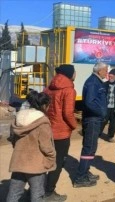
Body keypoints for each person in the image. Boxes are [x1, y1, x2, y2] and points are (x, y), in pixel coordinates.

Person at [6, 91, 56, 202]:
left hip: (18, 162)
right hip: (36, 165)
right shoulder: (42, 122)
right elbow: (46, 147)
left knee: (14, 194)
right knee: (37, 195)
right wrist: (52, 158)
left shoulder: (17, 119)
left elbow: (13, 140)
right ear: (44, 105)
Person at [43, 64, 77, 201]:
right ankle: (49, 192)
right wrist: (74, 126)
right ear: (70, 74)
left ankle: (38, 189)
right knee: (58, 162)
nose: (75, 74)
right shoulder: (69, 90)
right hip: (61, 133)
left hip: (47, 129)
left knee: (46, 160)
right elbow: (68, 113)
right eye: (75, 72)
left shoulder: (48, 88)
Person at [74, 62, 108, 188]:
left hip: (95, 119)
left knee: (91, 147)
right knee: (89, 148)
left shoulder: (96, 81)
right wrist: (102, 113)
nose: (107, 73)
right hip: (93, 119)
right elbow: (89, 102)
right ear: (99, 71)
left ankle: (85, 171)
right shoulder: (93, 82)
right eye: (105, 70)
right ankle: (80, 177)